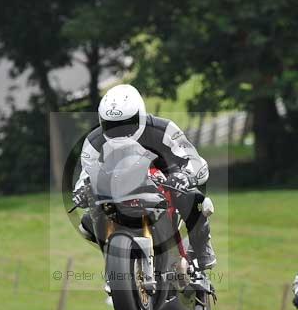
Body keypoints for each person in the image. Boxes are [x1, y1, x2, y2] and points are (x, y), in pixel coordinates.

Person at [72, 84, 216, 271]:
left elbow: (193, 158)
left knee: (194, 198)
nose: (120, 131)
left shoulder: (163, 129)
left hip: (166, 179)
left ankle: (201, 247)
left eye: (127, 123)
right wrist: (80, 191)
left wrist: (184, 175)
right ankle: (112, 262)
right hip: (118, 189)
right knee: (87, 223)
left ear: (140, 116)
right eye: (112, 125)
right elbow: (87, 173)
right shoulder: (93, 142)